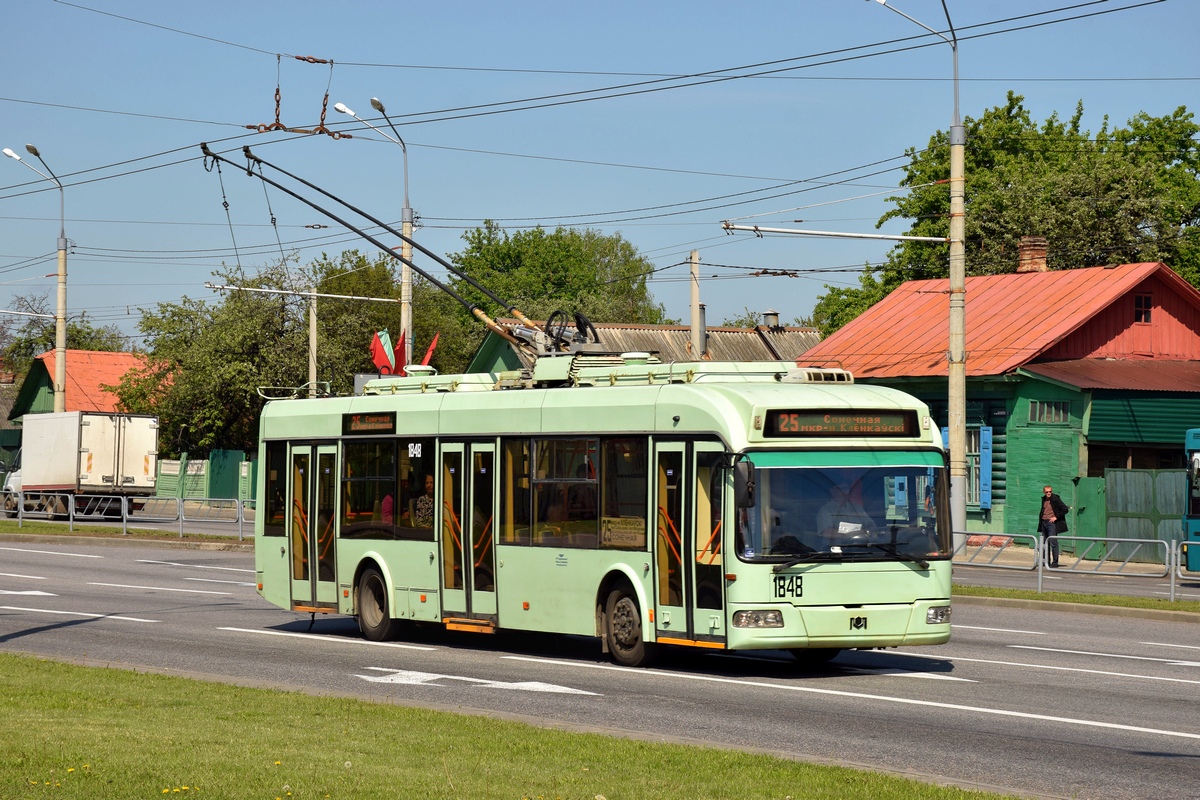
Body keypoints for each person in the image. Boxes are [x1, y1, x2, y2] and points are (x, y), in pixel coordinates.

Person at [1038, 485, 1069, 567]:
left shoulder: (1055, 499)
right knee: (1045, 543)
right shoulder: (1044, 499)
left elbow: (1065, 509)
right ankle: (1046, 561)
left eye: (1050, 491)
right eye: (1047, 492)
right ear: (1044, 492)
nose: (1049, 493)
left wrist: (1056, 517)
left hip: (1051, 523)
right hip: (1044, 522)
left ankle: (1055, 562)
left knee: (1053, 542)